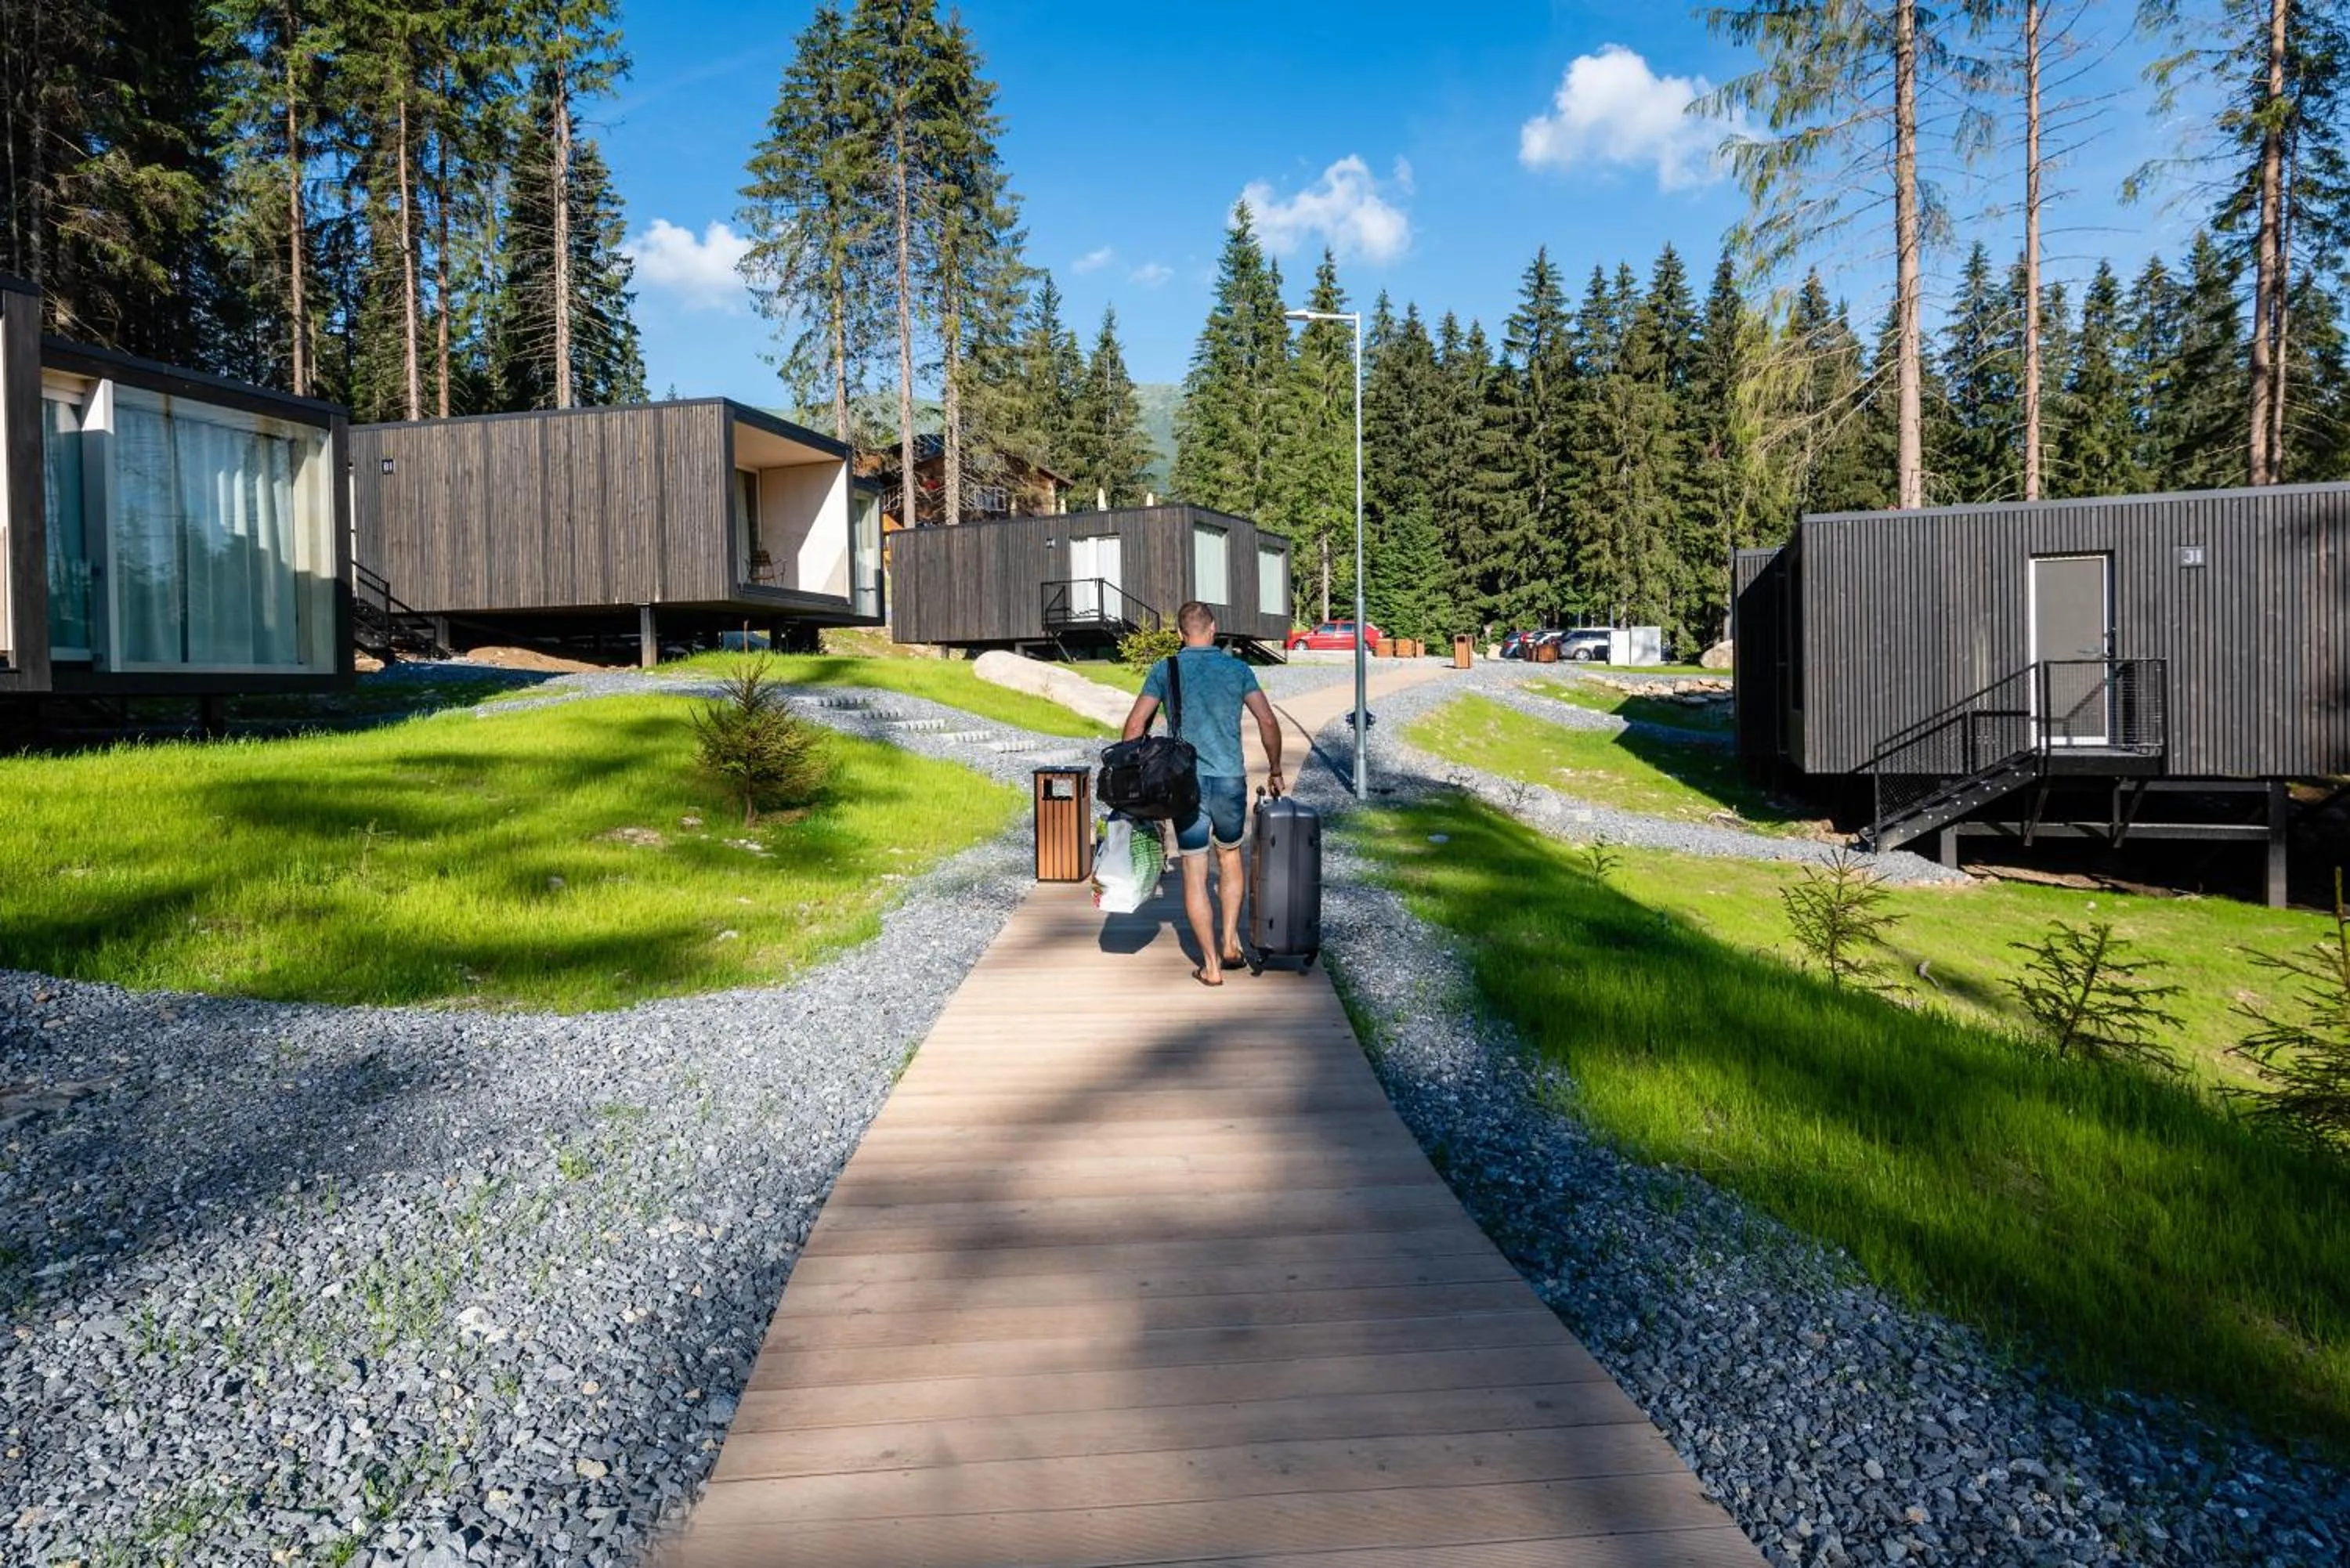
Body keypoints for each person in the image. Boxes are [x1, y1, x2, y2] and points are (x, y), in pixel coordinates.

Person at [1119, 601, 1284, 986]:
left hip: (1184, 784)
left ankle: (1210, 966)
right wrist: (1275, 769)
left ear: (1180, 634)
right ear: (1213, 628)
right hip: (1229, 779)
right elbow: (1267, 720)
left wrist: (1133, 780)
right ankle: (1230, 943)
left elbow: (1135, 725)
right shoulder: (1238, 669)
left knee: (1194, 872)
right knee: (1229, 858)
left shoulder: (1165, 669)